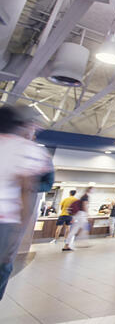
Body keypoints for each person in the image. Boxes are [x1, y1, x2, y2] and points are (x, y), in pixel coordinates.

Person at [0, 105, 52, 301]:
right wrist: (18, 231)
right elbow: (26, 188)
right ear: (23, 125)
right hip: (4, 220)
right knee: (3, 267)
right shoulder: (26, 149)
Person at [62, 187, 93, 251]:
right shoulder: (85, 196)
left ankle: (67, 245)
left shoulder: (83, 196)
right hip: (81, 214)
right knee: (85, 228)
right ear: (89, 190)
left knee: (75, 230)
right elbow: (84, 206)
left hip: (78, 214)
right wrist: (87, 215)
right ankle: (81, 242)